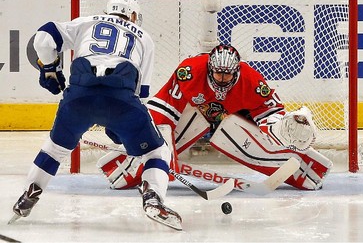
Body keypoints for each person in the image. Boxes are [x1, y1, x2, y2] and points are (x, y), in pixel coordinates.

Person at [10, 0, 182, 231]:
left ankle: (29, 194)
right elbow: (140, 95)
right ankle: (153, 198)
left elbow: (43, 37)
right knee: (157, 153)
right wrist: (121, 128)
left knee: (55, 149)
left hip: (78, 97)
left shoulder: (86, 22)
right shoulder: (144, 38)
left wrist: (50, 68)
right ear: (132, 14)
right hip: (121, 101)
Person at [99, 44, 333, 191]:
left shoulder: (252, 81)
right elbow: (164, 112)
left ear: (237, 71)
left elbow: (270, 113)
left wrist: (280, 128)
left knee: (233, 131)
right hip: (194, 114)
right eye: (218, 73)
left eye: (227, 74)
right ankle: (124, 169)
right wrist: (165, 156)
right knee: (160, 135)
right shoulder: (189, 72)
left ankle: (307, 171)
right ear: (210, 68)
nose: (222, 79)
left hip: (234, 120)